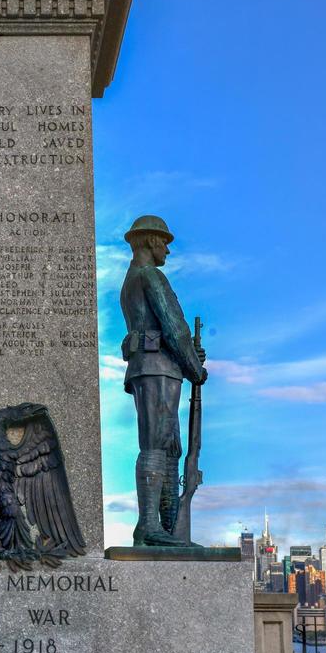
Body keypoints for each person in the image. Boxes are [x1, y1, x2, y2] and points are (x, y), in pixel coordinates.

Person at [119, 215, 207, 546]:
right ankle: (149, 526)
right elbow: (174, 327)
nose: (167, 251)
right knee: (157, 443)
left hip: (159, 368)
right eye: (165, 243)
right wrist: (194, 366)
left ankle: (168, 527)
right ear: (151, 241)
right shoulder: (150, 277)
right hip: (156, 368)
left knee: (170, 447)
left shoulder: (131, 280)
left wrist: (185, 361)